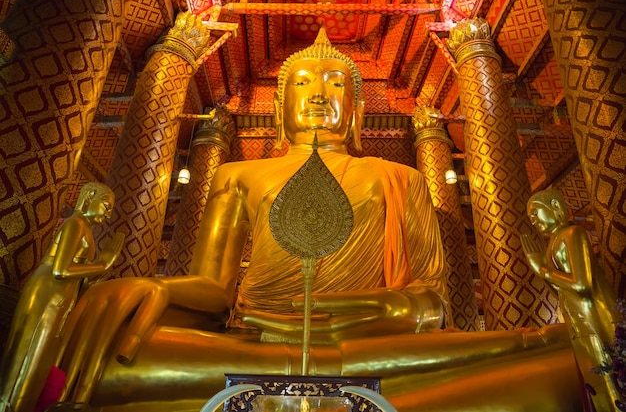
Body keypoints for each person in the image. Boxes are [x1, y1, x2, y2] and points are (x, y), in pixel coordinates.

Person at [7, 29, 583, 411]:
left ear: (357, 108)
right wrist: (151, 284)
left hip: (370, 347)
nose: (316, 93)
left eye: (335, 85)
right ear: (280, 103)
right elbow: (213, 287)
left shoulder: (399, 178)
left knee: (560, 350)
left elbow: (434, 303)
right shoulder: (238, 175)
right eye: (302, 83)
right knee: (105, 352)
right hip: (251, 342)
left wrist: (390, 306)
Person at [0, 182, 124, 412]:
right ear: (88, 198)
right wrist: (101, 265)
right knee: (29, 356)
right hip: (48, 290)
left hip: (62, 297)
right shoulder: (75, 223)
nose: (107, 214)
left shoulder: (86, 230)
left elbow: (78, 277)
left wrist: (95, 274)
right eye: (106, 206)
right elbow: (61, 270)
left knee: (41, 362)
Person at [522, 189, 621, 411]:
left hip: (595, 315)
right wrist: (540, 271)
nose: (534, 220)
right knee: (597, 384)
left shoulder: (572, 234)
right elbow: (560, 288)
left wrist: (544, 270)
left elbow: (582, 285)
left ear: (555, 207)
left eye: (536, 213)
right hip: (579, 323)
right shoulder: (552, 244)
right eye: (531, 218)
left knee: (613, 375)